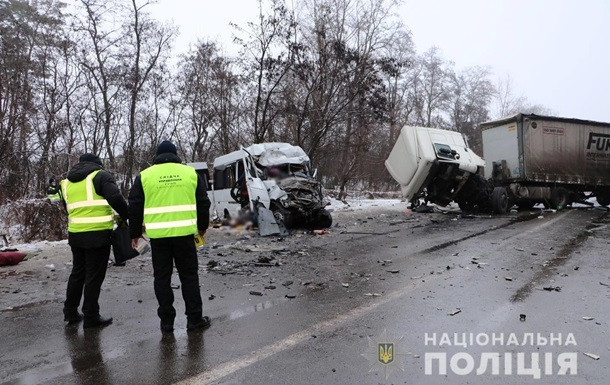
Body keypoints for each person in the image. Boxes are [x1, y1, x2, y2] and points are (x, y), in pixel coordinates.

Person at [128, 140, 211, 333]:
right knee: (189, 277)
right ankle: (194, 320)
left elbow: (134, 206)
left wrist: (134, 234)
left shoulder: (145, 176)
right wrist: (202, 227)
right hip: (185, 237)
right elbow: (203, 202)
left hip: (159, 239)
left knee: (162, 279)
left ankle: (166, 322)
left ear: (157, 156)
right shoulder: (190, 173)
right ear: (175, 155)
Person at [60, 153, 128, 328]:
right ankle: (91, 316)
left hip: (75, 234)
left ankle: (70, 312)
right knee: (94, 276)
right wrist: (128, 216)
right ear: (98, 164)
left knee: (77, 273)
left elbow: (67, 208)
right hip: (97, 236)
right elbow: (116, 199)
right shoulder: (101, 176)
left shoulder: (66, 182)